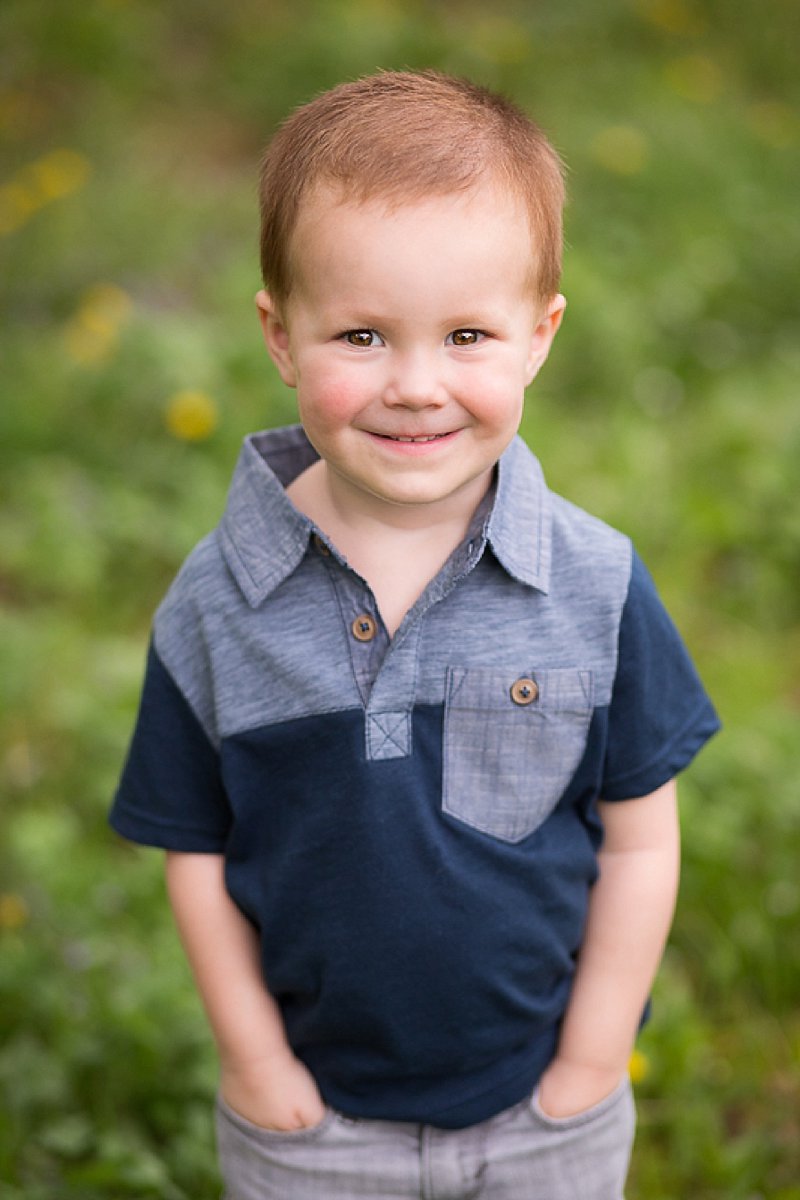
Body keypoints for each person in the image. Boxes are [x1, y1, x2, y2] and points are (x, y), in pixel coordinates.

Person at [111, 70, 720, 1199]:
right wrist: (255, 1065)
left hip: (543, 1112)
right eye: (360, 333)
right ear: (279, 335)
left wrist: (590, 1062)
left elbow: (639, 838)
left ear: (537, 339)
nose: (414, 385)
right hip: (312, 1123)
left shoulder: (589, 583)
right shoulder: (215, 602)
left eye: (465, 334)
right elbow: (194, 852)